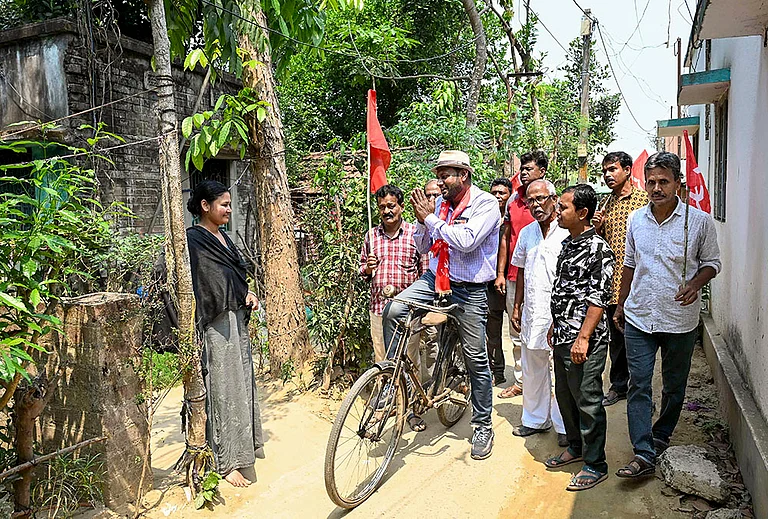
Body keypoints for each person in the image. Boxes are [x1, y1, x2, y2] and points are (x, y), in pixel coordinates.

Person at [383, 150, 500, 460]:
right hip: (435, 278)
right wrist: (423, 224)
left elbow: (466, 241)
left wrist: (430, 219)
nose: (440, 181)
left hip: (470, 288)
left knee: (476, 358)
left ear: (463, 175)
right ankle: (389, 376)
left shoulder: (486, 204)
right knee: (394, 309)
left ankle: (483, 426)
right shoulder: (439, 204)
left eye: (446, 174)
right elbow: (423, 245)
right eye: (439, 174)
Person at [614, 152, 721, 478]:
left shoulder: (698, 222)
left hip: (679, 320)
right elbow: (630, 265)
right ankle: (643, 453)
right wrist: (621, 304)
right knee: (639, 385)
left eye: (663, 181)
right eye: (651, 181)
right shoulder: (636, 221)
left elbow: (712, 263)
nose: (656, 188)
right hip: (640, 316)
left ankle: (661, 435)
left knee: (674, 387)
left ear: (678, 183)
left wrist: (695, 284)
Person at [186, 180, 264, 488]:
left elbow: (233, 276)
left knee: (240, 387)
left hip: (236, 322)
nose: (230, 210)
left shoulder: (225, 238)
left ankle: (243, 452)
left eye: (230, 204)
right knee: (222, 390)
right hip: (215, 325)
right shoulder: (194, 240)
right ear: (206, 206)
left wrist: (248, 293)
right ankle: (225, 462)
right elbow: (203, 282)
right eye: (224, 204)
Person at [546, 184, 614, 492]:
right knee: (565, 394)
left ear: (582, 213)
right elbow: (563, 289)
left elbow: (599, 297)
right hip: (562, 333)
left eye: (563, 208)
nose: (557, 212)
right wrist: (554, 324)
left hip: (586, 338)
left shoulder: (598, 248)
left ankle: (596, 463)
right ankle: (575, 446)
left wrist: (583, 337)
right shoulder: (567, 244)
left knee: (587, 397)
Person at [509, 180, 569, 447]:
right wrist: (517, 305)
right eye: (531, 201)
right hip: (533, 309)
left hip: (560, 311)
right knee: (533, 366)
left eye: (541, 199)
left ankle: (565, 424)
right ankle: (534, 419)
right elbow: (520, 269)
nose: (536, 205)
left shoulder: (567, 232)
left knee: (562, 371)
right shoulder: (527, 233)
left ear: (554, 199)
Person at [592, 152, 649, 407]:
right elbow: (601, 241)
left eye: (613, 169)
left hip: (640, 281)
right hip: (613, 282)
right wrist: (598, 226)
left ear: (627, 170)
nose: (607, 175)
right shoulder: (606, 203)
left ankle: (641, 391)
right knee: (616, 339)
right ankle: (618, 386)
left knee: (639, 340)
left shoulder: (644, 201)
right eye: (605, 170)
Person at [359, 184, 422, 388]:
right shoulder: (371, 236)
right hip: (379, 310)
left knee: (409, 359)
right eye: (382, 207)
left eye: (391, 205)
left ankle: (411, 407)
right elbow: (362, 272)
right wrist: (368, 269)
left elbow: (425, 273)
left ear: (401, 206)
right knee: (382, 359)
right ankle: (386, 402)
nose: (386, 211)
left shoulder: (415, 234)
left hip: (408, 311)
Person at [497, 151, 548, 398]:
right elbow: (505, 238)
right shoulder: (513, 201)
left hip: (545, 278)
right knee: (517, 331)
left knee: (548, 330)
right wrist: (500, 273)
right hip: (516, 276)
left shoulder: (550, 200)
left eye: (529, 168)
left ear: (542, 172)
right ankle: (521, 381)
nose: (524, 172)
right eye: (522, 168)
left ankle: (548, 383)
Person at [487, 177, 513, 385]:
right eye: (494, 192)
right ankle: (497, 372)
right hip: (491, 282)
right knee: (492, 330)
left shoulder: (517, 216)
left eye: (502, 193)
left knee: (518, 329)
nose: (497, 196)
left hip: (514, 279)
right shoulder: (484, 217)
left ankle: (526, 378)